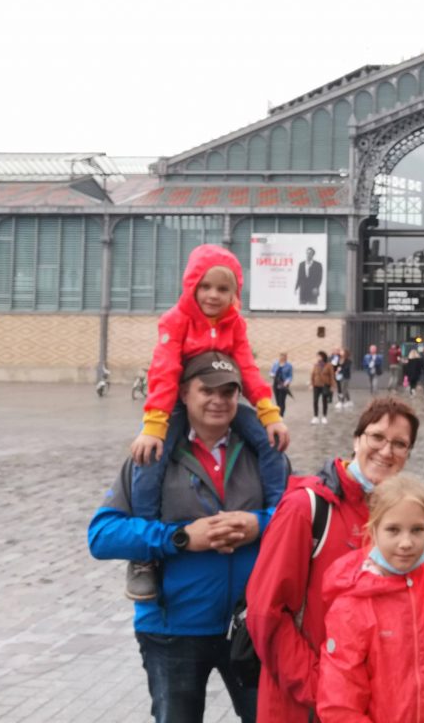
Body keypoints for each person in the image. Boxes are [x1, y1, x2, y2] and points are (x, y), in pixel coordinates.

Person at [89, 352, 289, 723]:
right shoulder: (151, 453)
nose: (218, 400)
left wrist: (258, 524)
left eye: (228, 392)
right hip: (173, 630)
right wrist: (180, 537)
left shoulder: (263, 453)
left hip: (250, 626)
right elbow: (103, 535)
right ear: (183, 393)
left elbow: (296, 515)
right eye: (207, 390)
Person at [126, 244, 289, 601]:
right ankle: (143, 557)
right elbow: (165, 370)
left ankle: (280, 526)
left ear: (235, 294)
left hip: (224, 390)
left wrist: (270, 415)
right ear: (191, 286)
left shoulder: (236, 324)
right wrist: (154, 426)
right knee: (149, 460)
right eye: (205, 286)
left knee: (270, 443)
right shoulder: (176, 320)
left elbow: (247, 368)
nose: (213, 295)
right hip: (175, 404)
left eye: (223, 288)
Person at [245, 397, 420, 723]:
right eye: (377, 437)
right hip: (305, 705)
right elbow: (265, 613)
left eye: (399, 444)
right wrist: (325, 690)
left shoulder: (395, 517)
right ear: (356, 439)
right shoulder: (306, 509)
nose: (386, 451)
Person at [316, 474, 424, 722]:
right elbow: (340, 702)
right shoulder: (351, 606)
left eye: (417, 530)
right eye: (393, 530)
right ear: (373, 530)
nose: (406, 543)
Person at [310, 350, 336, 424]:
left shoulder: (329, 365)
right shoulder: (316, 365)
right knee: (315, 401)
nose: (317, 358)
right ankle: (315, 416)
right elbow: (312, 375)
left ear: (323, 356)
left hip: (325, 385)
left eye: (319, 356)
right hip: (316, 385)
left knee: (324, 401)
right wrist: (311, 384)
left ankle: (324, 416)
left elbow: (332, 376)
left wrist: (332, 386)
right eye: (317, 356)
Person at [271, 352, 293, 418]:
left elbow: (290, 376)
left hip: (284, 384)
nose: (282, 358)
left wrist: (287, 381)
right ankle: (278, 414)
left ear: (286, 357)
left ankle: (281, 415)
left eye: (284, 357)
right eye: (281, 356)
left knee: (282, 401)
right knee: (277, 400)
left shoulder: (289, 365)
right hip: (276, 383)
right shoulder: (275, 364)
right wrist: (272, 375)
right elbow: (271, 372)